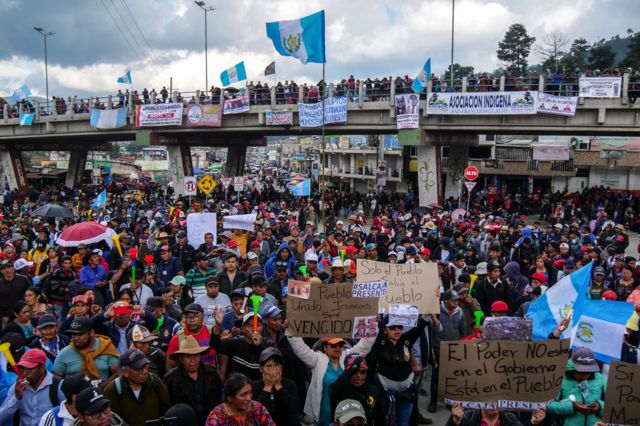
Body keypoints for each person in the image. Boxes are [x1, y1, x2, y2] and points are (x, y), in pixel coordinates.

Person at [288, 335, 375, 426]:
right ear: (325, 347)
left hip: (347, 413)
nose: (337, 348)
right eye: (333, 345)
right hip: (324, 413)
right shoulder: (317, 359)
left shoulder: (348, 357)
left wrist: (373, 327)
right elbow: (301, 350)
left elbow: (364, 346)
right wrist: (291, 334)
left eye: (340, 344)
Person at [164, 335, 223, 426]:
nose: (193, 360)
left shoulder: (212, 374)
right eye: (188, 356)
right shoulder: (171, 380)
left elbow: (220, 399)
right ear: (181, 359)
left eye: (196, 355)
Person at [104, 349, 171, 426]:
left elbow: (166, 410)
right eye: (139, 368)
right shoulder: (113, 390)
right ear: (125, 372)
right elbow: (114, 421)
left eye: (146, 366)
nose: (145, 371)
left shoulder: (155, 382)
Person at [0, 349, 64, 426]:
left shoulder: (58, 385)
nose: (24, 373)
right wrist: (16, 398)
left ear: (42, 368)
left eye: (30, 368)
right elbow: (1, 418)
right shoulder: (17, 387)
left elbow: (68, 417)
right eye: (22, 368)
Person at [547, 347, 606, 426]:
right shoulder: (560, 379)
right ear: (573, 367)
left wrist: (599, 406)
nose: (585, 376)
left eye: (588, 372)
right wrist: (572, 406)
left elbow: (613, 406)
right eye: (581, 372)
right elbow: (548, 405)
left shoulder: (600, 378)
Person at [53, 317, 120, 383]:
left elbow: (117, 372)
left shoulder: (106, 347)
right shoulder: (64, 353)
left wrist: (103, 388)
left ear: (91, 332)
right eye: (73, 334)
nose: (76, 338)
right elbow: (56, 379)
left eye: (80, 334)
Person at [212, 312, 275, 381]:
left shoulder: (269, 345)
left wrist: (260, 346)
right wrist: (218, 325)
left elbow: (274, 365)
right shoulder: (236, 343)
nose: (254, 329)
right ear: (243, 329)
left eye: (257, 325)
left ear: (262, 328)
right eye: (249, 325)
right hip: (238, 388)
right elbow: (216, 345)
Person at [329, 353, 385, 426]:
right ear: (347, 372)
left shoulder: (374, 391)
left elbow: (380, 420)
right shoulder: (338, 391)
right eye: (354, 371)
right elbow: (334, 419)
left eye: (362, 372)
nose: (358, 375)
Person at [251, 347, 300, 426]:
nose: (273, 370)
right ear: (261, 369)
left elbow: (294, 409)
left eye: (276, 365)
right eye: (269, 366)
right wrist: (267, 388)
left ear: (281, 368)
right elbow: (254, 413)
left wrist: (278, 386)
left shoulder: (290, 384)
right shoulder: (254, 386)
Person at [205, 373, 275, 426]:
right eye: (243, 395)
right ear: (229, 397)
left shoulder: (258, 409)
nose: (249, 398)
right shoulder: (216, 417)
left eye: (250, 393)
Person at [166, 303, 216, 370]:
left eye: (195, 316)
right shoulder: (178, 338)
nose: (191, 320)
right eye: (188, 317)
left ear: (203, 317)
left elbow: (221, 357)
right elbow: (169, 366)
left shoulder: (212, 332)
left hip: (211, 377)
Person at [447, 403, 547, 425]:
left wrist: (535, 423)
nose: (493, 403)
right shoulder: (466, 418)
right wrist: (455, 422)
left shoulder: (510, 419)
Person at [0, 259, 31, 324]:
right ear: (1, 271)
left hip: (24, 315)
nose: (7, 270)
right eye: (4, 269)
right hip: (7, 318)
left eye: (8, 267)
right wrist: (2, 316)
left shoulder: (23, 280)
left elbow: (32, 295)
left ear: (13, 268)